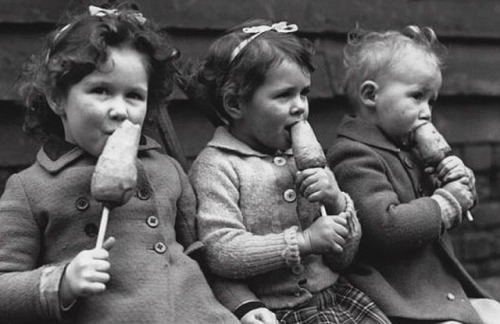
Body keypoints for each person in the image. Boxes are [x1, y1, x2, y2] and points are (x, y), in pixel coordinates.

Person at [0, 3, 241, 323]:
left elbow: (202, 256)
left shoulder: (167, 170)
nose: (121, 110)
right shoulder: (30, 188)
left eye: (134, 96)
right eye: (101, 90)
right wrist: (62, 282)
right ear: (57, 98)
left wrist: (244, 306)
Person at [186, 19, 391, 324]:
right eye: (284, 95)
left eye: (303, 93)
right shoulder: (217, 166)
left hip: (337, 296)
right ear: (234, 104)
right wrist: (304, 242)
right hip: (276, 311)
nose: (300, 107)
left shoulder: (304, 158)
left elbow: (343, 257)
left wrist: (336, 200)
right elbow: (221, 253)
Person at [327, 26, 500, 324]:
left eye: (431, 100)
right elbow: (385, 228)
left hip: (436, 290)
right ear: (370, 95)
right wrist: (446, 204)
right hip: (394, 297)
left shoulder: (407, 148)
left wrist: (458, 183)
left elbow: (438, 206)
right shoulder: (353, 155)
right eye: (417, 97)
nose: (427, 112)